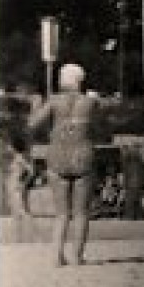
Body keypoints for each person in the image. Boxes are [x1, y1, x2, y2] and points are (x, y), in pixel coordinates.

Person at [26, 63, 100, 266]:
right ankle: (77, 256)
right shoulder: (90, 102)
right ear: (80, 80)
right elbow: (102, 127)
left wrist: (35, 105)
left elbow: (32, 124)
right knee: (81, 212)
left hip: (58, 155)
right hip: (82, 155)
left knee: (61, 213)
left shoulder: (54, 102)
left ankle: (56, 256)